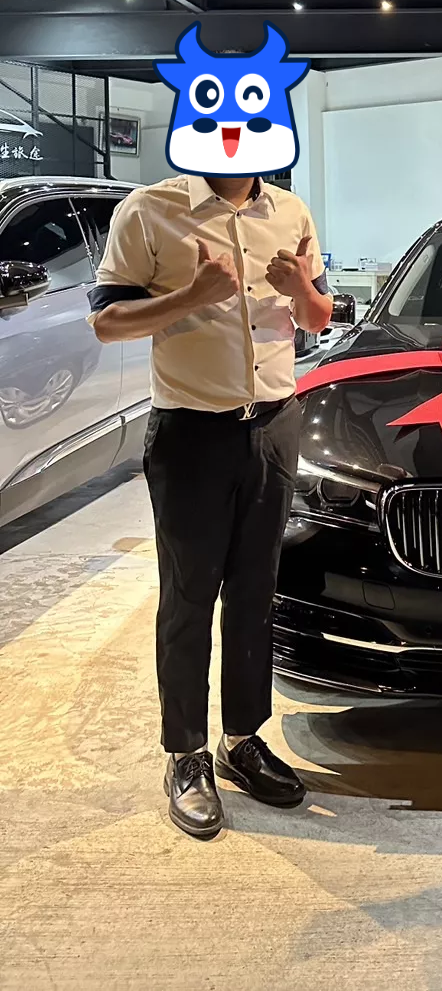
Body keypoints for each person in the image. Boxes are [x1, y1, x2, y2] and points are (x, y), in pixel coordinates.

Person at [88, 172, 333, 840]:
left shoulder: (290, 211)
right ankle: (186, 754)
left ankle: (242, 740)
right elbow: (106, 322)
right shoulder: (150, 210)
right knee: (189, 597)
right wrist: (191, 296)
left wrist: (301, 290)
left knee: (256, 594)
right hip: (192, 433)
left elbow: (317, 318)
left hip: (274, 426)